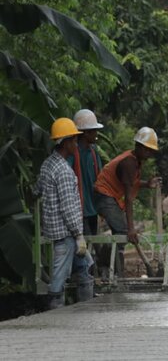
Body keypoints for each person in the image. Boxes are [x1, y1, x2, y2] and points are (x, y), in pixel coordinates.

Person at [37, 118, 93, 309]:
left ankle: (86, 304)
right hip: (66, 233)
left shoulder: (47, 164)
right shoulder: (63, 171)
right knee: (60, 274)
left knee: (84, 267)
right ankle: (56, 309)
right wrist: (79, 235)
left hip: (55, 229)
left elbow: (37, 191)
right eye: (74, 140)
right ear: (67, 142)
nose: (76, 144)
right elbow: (68, 207)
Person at [94, 127, 161, 273]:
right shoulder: (129, 163)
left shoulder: (136, 161)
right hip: (103, 195)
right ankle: (111, 268)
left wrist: (146, 184)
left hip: (109, 196)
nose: (150, 153)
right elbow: (129, 198)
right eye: (148, 150)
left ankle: (104, 263)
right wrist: (131, 229)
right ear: (139, 146)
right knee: (123, 231)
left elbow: (131, 182)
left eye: (151, 150)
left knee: (121, 231)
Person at [67, 109, 104, 236]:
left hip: (92, 209)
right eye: (94, 131)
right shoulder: (72, 154)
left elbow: (100, 177)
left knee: (91, 243)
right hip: (78, 211)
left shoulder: (93, 152)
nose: (96, 134)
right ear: (86, 133)